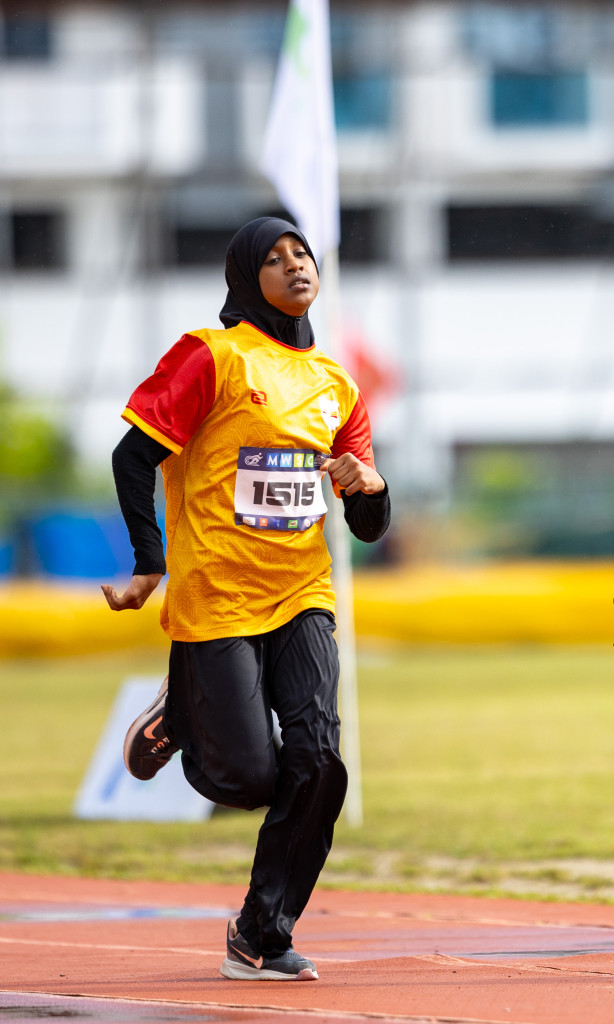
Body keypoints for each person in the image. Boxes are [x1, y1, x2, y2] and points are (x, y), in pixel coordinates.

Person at [101, 216, 390, 982]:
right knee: (249, 780)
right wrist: (147, 561)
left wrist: (373, 486)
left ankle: (261, 931)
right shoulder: (212, 356)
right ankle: (183, 711)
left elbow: (365, 524)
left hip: (303, 591)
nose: (295, 266)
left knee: (320, 761)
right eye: (274, 258)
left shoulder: (337, 385)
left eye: (303, 254)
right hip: (216, 592)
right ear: (244, 277)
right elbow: (133, 456)